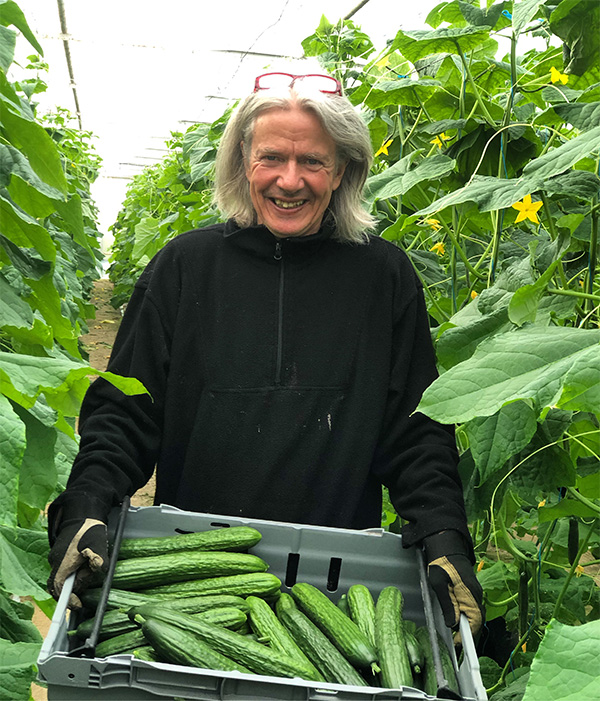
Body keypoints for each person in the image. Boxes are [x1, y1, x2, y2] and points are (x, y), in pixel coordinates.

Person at [47, 71, 484, 640]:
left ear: (344, 171)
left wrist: (443, 531)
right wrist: (87, 502)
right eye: (271, 157)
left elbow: (414, 431)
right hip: (197, 575)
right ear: (242, 162)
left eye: (314, 162)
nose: (290, 180)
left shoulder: (384, 276)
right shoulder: (185, 266)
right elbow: (126, 410)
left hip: (337, 584)